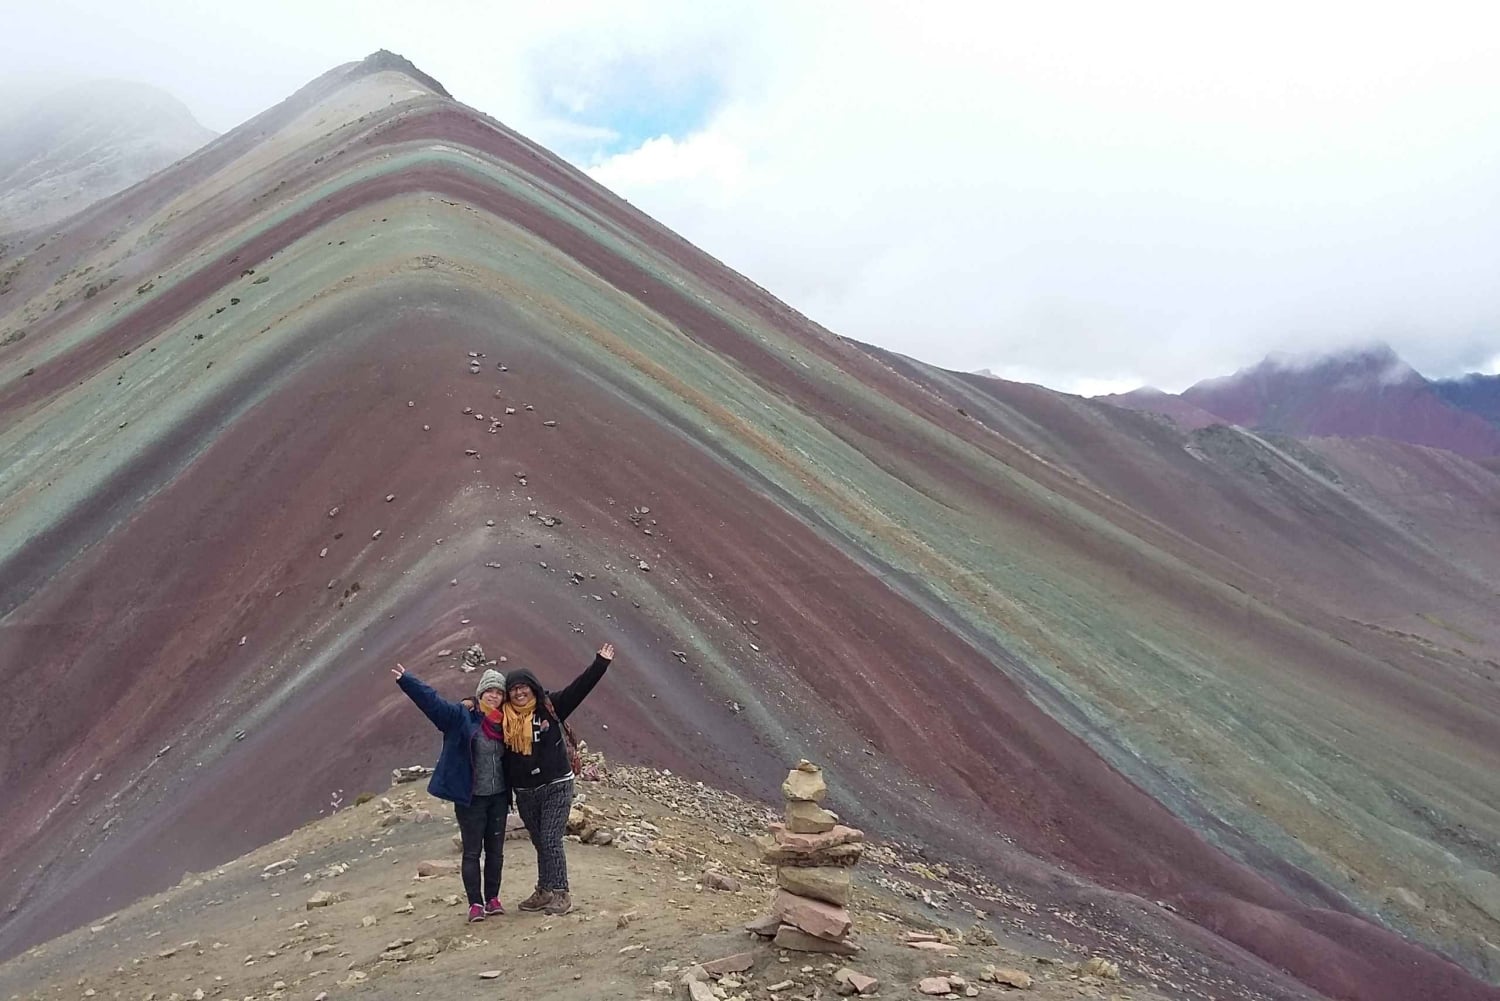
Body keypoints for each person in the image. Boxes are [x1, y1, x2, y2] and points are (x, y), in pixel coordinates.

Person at [501, 641, 616, 916]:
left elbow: (580, 688)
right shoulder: (503, 719)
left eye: (523, 687)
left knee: (551, 837)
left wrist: (600, 663)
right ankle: (544, 889)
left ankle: (562, 893)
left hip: (556, 785)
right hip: (525, 791)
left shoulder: (551, 707)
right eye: (513, 689)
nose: (518, 693)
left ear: (532, 686)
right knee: (540, 840)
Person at [392, 664, 511, 922]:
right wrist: (407, 680)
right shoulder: (460, 717)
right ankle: (475, 904)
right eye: (489, 690)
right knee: (471, 852)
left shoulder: (507, 722)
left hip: (499, 797)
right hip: (471, 799)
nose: (494, 695)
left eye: (499, 692)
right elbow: (432, 703)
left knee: (496, 851)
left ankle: (492, 899)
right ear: (480, 693)